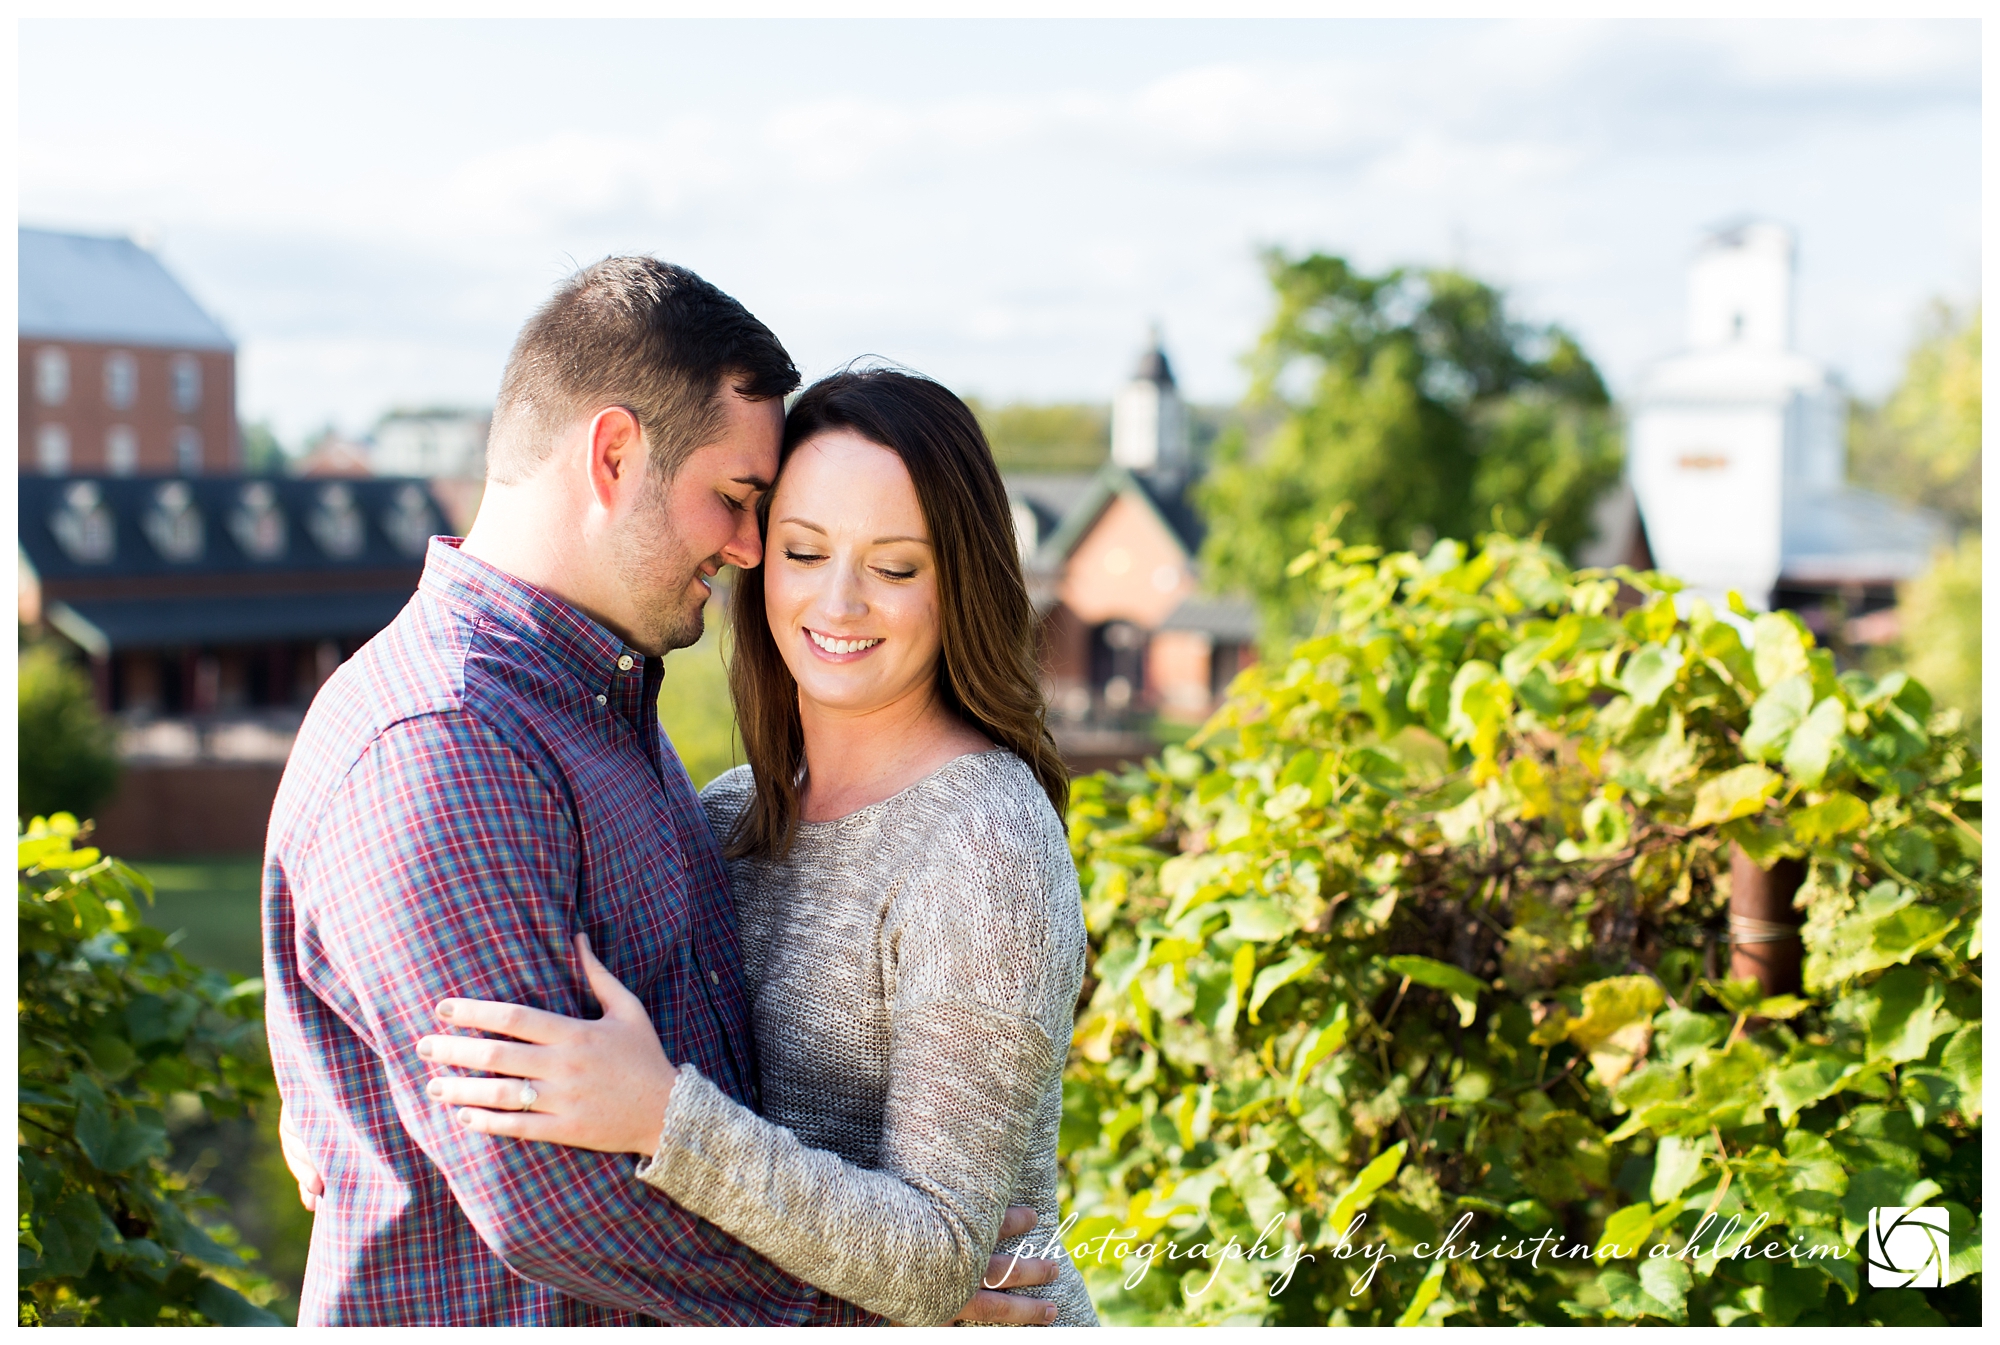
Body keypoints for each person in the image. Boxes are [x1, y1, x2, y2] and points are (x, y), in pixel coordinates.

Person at [262, 260, 1057, 1326]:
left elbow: (906, 1215)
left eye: (895, 565)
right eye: (761, 518)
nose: (746, 552)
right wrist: (897, 1310)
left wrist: (920, 1268)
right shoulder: (455, 741)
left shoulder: (626, 737)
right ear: (613, 455)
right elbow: (548, 1199)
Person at [407, 368, 1101, 1325]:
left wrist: (663, 1119)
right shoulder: (727, 817)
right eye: (804, 550)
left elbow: (943, 1255)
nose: (840, 602)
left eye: (895, 567)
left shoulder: (984, 845)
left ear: (960, 582)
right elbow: (541, 1038)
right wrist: (345, 1101)